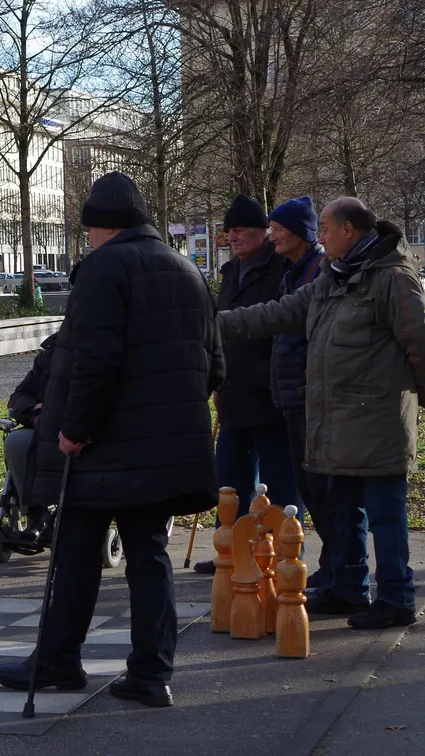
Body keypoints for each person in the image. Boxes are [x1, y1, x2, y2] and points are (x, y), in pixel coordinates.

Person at [0, 172, 223, 708]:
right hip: (165, 446)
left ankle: (57, 659)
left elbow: (94, 359)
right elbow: (215, 365)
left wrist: (76, 428)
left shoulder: (103, 268)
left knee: (73, 549)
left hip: (103, 448)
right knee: (148, 553)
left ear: (100, 226)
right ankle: (150, 672)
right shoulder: (187, 269)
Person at [215, 197, 425, 629]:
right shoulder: (332, 275)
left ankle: (396, 596)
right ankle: (349, 588)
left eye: (324, 227)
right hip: (335, 417)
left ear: (349, 231)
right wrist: (217, 323)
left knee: (384, 512)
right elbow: (283, 312)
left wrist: (415, 390)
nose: (318, 235)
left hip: (376, 419)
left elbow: (424, 346)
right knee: (342, 507)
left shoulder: (391, 277)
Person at [194, 195, 291, 577]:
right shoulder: (230, 272)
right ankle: (230, 550)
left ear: (262, 232)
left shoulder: (279, 268)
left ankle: (281, 553)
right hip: (233, 393)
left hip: (269, 395)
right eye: (228, 231)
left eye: (240, 230)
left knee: (279, 484)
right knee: (229, 482)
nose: (232, 237)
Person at [263, 196, 331, 593]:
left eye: (278, 230)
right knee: (310, 487)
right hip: (292, 393)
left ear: (300, 234)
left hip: (310, 394)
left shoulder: (317, 273)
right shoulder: (293, 271)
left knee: (322, 489)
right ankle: (333, 567)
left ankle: (338, 569)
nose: (272, 237)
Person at [2, 332, 57, 542]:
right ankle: (36, 514)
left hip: (80, 427)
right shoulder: (49, 356)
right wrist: (32, 411)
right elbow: (19, 395)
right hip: (40, 425)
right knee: (17, 441)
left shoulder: (101, 353)